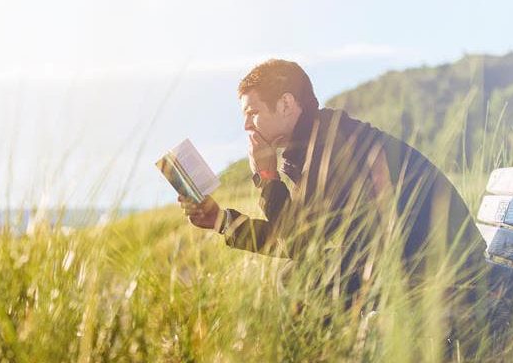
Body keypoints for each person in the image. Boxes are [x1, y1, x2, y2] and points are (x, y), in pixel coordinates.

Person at [179, 59, 491, 343]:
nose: (247, 126)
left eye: (253, 113)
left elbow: (298, 242)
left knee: (298, 279)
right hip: (417, 264)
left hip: (447, 278)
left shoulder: (333, 146)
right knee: (300, 275)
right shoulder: (316, 142)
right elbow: (299, 241)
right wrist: (220, 220)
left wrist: (266, 174)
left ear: (286, 103)